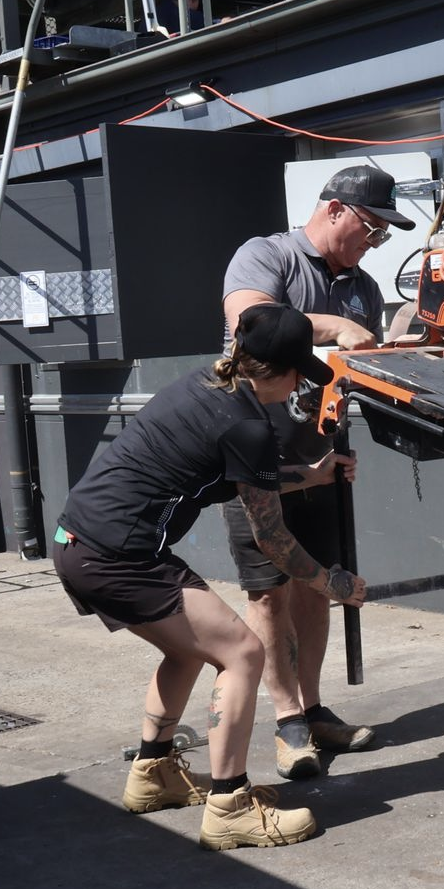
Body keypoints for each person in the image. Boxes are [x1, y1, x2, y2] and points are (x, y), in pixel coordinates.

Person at [53, 303, 367, 850]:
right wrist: (332, 583)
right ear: (283, 372)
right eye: (301, 376)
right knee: (242, 653)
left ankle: (154, 775)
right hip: (119, 555)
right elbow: (272, 538)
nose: (301, 389)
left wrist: (309, 474)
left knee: (189, 650)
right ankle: (231, 806)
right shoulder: (248, 426)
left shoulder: (208, 385)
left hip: (81, 542)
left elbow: (250, 483)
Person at [221, 164, 413, 780]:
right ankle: (286, 723)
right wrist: (332, 325)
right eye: (371, 226)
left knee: (319, 583)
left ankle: (312, 705)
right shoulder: (267, 255)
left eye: (383, 233)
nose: (374, 240)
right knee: (268, 590)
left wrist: (413, 334)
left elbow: (369, 362)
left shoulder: (363, 285)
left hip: (324, 454)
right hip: (256, 449)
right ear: (334, 210)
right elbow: (249, 324)